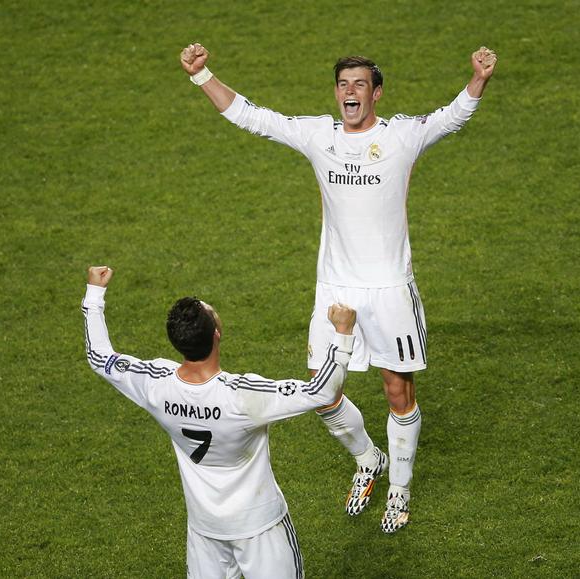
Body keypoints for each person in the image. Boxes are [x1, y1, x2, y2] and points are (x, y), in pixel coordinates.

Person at [180, 43, 497, 533]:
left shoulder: (402, 137)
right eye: (344, 85)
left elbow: (451, 118)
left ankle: (400, 491)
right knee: (321, 391)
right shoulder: (317, 135)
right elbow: (252, 117)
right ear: (336, 93)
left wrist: (478, 78)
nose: (350, 93)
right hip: (336, 289)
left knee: (397, 392)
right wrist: (203, 76)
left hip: (390, 289)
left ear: (376, 94)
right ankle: (368, 459)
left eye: (360, 85)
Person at [82, 265, 357, 578]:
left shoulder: (156, 385)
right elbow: (322, 392)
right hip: (260, 528)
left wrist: (94, 294)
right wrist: (343, 333)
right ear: (217, 333)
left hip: (205, 531)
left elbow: (99, 357)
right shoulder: (241, 396)